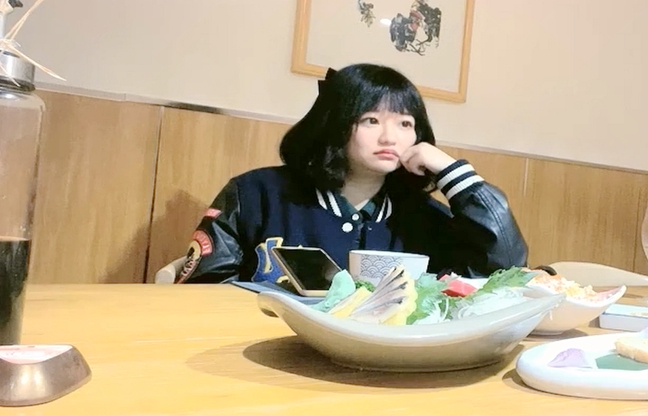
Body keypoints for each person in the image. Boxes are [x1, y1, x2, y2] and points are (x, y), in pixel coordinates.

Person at [176, 63, 528, 284]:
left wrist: (454, 174)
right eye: (371, 120)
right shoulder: (256, 194)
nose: (390, 137)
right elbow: (202, 290)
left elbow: (503, 274)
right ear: (336, 125)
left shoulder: (425, 217)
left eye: (405, 124)